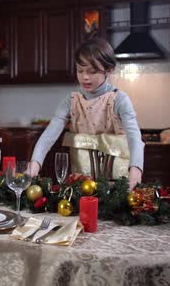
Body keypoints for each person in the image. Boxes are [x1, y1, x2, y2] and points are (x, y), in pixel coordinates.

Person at [28, 38, 144, 190]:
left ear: (109, 70)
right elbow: (49, 134)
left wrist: (136, 171)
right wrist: (34, 164)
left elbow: (134, 137)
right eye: (80, 70)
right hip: (80, 183)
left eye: (92, 71)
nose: (85, 77)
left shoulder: (119, 100)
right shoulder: (71, 100)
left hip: (118, 182)